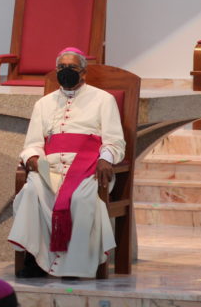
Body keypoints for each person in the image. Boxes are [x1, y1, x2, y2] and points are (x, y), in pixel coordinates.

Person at [8, 47, 125, 278]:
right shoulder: (44, 103)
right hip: (50, 169)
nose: (65, 72)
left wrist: (105, 159)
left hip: (88, 169)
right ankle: (33, 260)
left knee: (81, 198)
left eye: (71, 68)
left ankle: (75, 266)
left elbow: (115, 142)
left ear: (83, 73)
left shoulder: (104, 100)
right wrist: (31, 157)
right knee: (31, 191)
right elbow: (32, 142)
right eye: (61, 68)